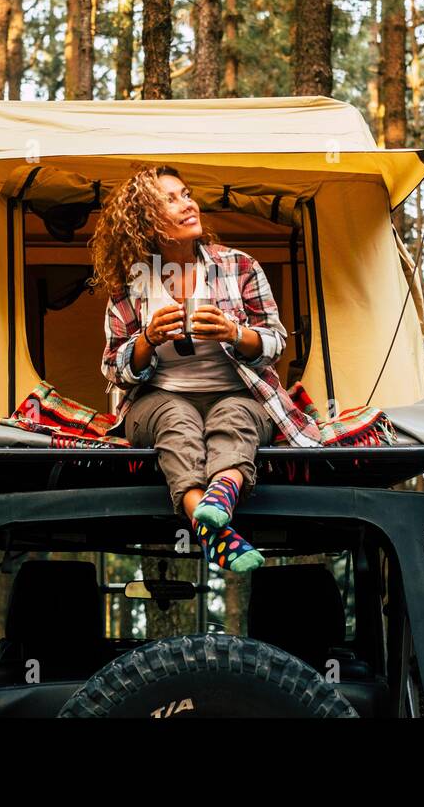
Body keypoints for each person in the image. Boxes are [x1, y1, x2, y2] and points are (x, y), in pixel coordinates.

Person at [91, 164, 322, 573]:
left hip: (238, 392)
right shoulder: (131, 285)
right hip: (158, 400)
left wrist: (235, 333)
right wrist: (146, 341)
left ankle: (217, 504)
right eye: (171, 199)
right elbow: (113, 367)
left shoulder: (239, 266)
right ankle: (213, 529)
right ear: (145, 221)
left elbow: (275, 341)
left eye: (186, 194)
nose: (188, 204)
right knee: (175, 421)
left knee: (235, 417)